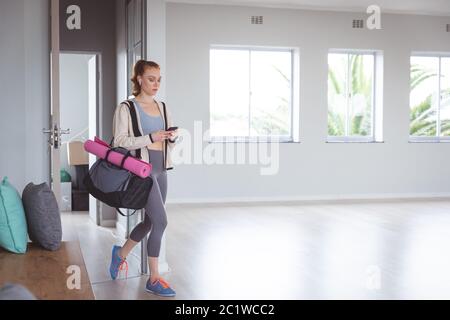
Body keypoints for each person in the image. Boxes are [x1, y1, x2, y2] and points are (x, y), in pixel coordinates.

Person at [109, 60, 178, 297]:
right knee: (161, 221)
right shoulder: (126, 108)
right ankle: (154, 278)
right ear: (139, 79)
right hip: (143, 173)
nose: (156, 83)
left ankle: (120, 253)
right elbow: (119, 142)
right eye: (151, 78)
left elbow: (165, 138)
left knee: (150, 222)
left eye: (159, 79)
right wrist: (151, 137)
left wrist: (170, 137)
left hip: (162, 170)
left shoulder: (163, 107)